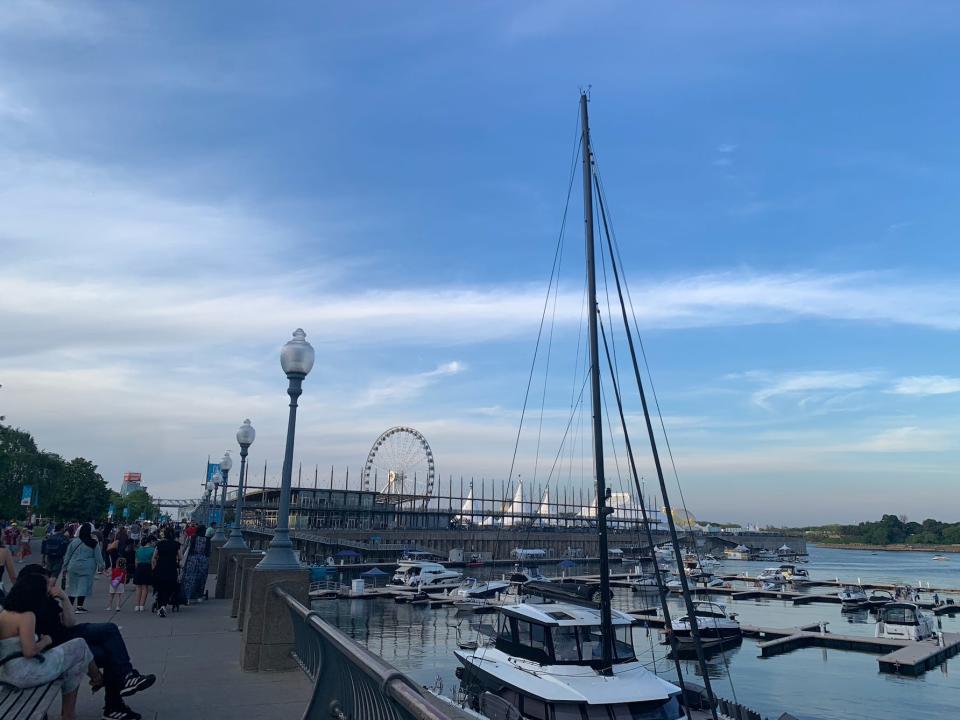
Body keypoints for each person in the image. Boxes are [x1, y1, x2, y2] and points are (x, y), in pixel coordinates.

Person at [17, 565, 154, 720]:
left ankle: (126, 678)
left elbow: (69, 623)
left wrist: (63, 597)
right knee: (109, 653)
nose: (51, 586)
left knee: (110, 629)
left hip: (68, 634)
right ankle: (114, 704)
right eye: (47, 583)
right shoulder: (25, 608)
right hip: (60, 647)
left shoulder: (47, 599)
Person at [0, 573, 100, 720]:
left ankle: (70, 714)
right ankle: (97, 678)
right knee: (80, 645)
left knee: (73, 665)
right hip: (25, 673)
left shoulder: (4, 613)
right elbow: (29, 651)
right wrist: (46, 640)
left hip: (8, 673)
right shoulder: (27, 615)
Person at [62, 522, 105, 613]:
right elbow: (98, 556)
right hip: (87, 567)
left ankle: (69, 607)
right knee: (83, 586)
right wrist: (101, 567)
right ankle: (79, 606)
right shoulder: (93, 543)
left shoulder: (74, 542)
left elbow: (68, 555)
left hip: (73, 566)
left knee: (73, 586)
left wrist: (65, 567)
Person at [151, 529, 180, 617]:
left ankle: (160, 606)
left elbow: (154, 557)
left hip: (160, 568)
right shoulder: (176, 545)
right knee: (169, 587)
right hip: (171, 568)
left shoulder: (159, 544)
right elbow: (181, 557)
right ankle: (164, 605)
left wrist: (154, 566)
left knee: (160, 587)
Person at [180, 525, 210, 603]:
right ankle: (198, 596)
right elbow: (209, 552)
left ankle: (187, 597)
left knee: (189, 578)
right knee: (201, 578)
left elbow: (185, 547)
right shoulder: (207, 539)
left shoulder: (192, 538)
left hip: (192, 559)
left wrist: (182, 556)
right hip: (203, 560)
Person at [132, 537, 154, 613]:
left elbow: (136, 562)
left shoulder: (138, 550)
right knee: (145, 587)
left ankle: (137, 605)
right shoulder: (152, 550)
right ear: (149, 542)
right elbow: (153, 561)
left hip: (139, 567)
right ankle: (142, 606)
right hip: (147, 567)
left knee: (138, 587)